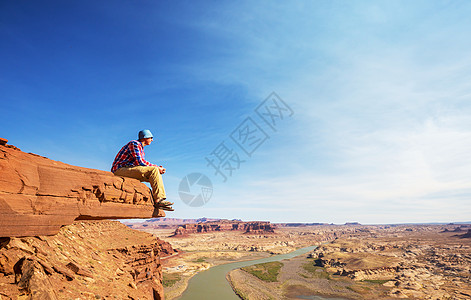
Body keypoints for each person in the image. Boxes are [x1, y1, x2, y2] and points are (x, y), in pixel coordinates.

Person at [111, 129, 173, 211]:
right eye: (151, 137)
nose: (152, 140)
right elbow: (140, 162)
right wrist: (157, 167)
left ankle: (159, 201)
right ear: (145, 137)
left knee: (154, 173)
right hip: (120, 170)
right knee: (153, 170)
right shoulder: (134, 144)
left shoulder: (140, 148)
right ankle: (158, 200)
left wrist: (158, 169)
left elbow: (140, 164)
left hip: (128, 169)